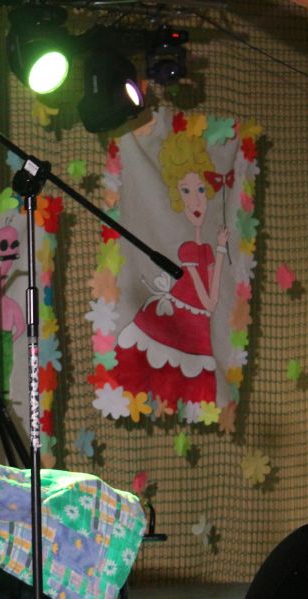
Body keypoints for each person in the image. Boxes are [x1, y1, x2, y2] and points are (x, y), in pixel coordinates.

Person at [111, 131, 230, 409]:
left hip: (198, 328)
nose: (195, 201)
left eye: (200, 190)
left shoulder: (206, 249)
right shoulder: (188, 251)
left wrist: (221, 249)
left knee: (198, 393)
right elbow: (207, 300)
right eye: (186, 191)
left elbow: (211, 300)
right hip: (175, 322)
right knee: (156, 384)